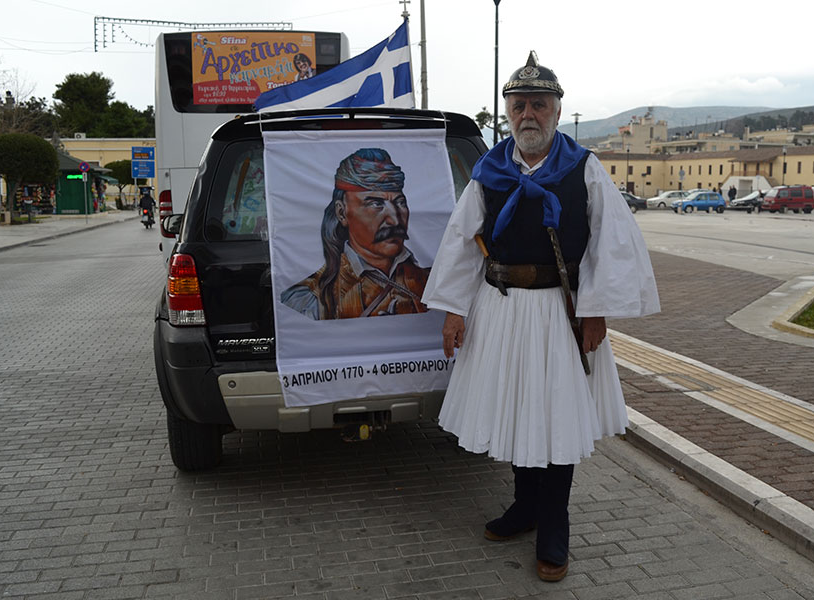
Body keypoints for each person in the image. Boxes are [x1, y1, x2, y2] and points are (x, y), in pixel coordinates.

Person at [422, 53, 659, 583]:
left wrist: (595, 313)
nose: (529, 114)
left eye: (540, 105)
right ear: (507, 112)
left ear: (556, 111)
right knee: (516, 410)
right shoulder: (490, 169)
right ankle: (525, 508)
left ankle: (554, 527)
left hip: (559, 312)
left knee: (553, 416)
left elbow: (611, 245)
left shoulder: (583, 168)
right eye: (520, 105)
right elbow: (463, 242)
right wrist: (453, 312)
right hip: (500, 311)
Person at [281, 148, 430, 320]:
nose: (395, 220)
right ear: (342, 213)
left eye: (400, 202)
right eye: (376, 204)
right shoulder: (311, 300)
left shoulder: (435, 284)